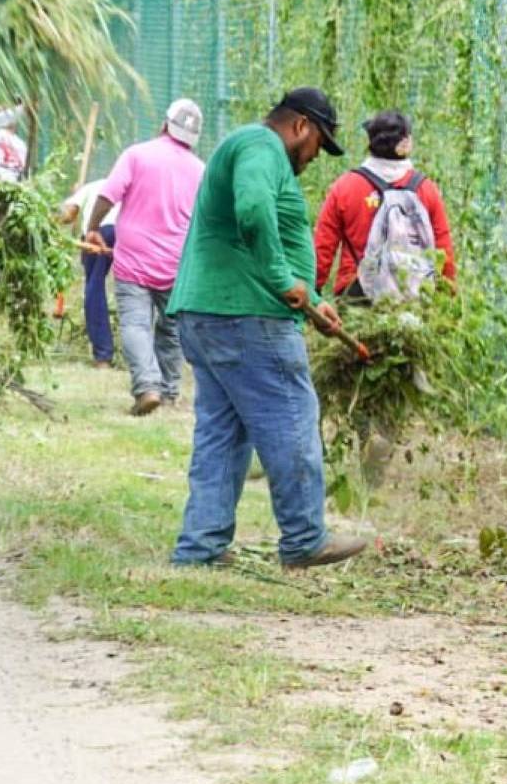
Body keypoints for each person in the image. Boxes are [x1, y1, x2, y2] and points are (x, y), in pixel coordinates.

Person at [166, 87, 368, 571]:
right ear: (300, 125)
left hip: (209, 311)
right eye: (318, 142)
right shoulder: (261, 147)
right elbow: (254, 211)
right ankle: (304, 537)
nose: (316, 156)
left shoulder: (250, 148)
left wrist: (315, 301)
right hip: (247, 316)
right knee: (293, 416)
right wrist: (282, 282)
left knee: (224, 431)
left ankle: (201, 546)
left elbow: (272, 233)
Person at [84, 99, 206, 416]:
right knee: (171, 329)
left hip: (134, 260)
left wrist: (92, 227)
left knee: (136, 324)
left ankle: (146, 386)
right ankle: (167, 391)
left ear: (165, 124)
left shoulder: (137, 155)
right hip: (177, 264)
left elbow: (107, 195)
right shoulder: (200, 170)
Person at [312, 109, 457, 299]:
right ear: (406, 143)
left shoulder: (346, 186)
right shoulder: (426, 189)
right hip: (414, 297)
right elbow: (442, 248)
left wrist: (313, 290)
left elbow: (324, 246)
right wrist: (448, 296)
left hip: (358, 295)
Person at [60, 177, 120, 367]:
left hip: (100, 232)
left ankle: (103, 355)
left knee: (94, 288)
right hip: (130, 231)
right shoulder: (125, 185)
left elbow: (67, 215)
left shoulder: (90, 186)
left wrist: (71, 200)